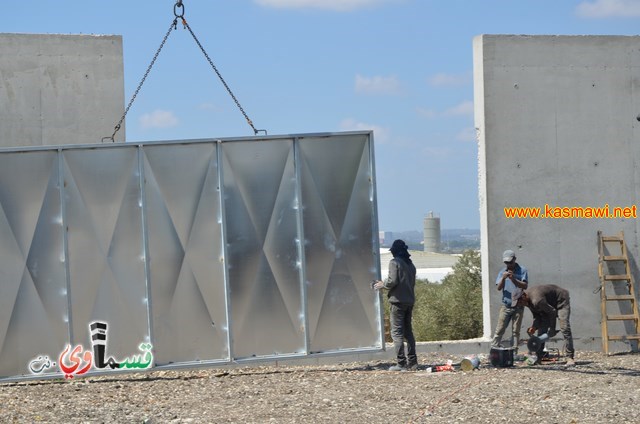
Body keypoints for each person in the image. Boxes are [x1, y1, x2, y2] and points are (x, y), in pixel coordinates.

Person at [373, 239, 418, 371]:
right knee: (408, 332)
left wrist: (383, 284)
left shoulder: (394, 263)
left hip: (398, 302)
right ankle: (413, 362)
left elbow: (393, 280)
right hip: (409, 301)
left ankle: (401, 363)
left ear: (395, 251)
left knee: (397, 333)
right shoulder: (411, 265)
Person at [519, 284, 575, 366]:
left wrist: (552, 329)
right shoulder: (527, 301)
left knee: (565, 328)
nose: (520, 304)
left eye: (520, 302)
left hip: (561, 301)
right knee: (541, 331)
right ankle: (538, 358)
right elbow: (537, 316)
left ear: (524, 296)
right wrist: (534, 327)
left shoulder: (536, 299)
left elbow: (552, 312)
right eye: (518, 303)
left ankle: (570, 357)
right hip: (548, 306)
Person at [491, 249, 528, 351]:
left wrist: (513, 279)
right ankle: (494, 349)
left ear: (515, 259)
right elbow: (498, 288)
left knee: (516, 331)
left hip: (518, 305)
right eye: (506, 263)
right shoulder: (502, 272)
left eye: (510, 262)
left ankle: (514, 351)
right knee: (500, 328)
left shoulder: (522, 270)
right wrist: (503, 278)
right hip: (506, 305)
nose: (509, 264)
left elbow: (525, 285)